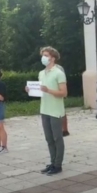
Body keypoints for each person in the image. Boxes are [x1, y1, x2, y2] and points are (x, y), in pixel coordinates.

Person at [25, 46, 67, 175]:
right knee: (49, 139)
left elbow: (64, 93)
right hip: (45, 109)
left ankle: (58, 165)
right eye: (43, 55)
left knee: (57, 138)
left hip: (55, 110)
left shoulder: (58, 73)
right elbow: (40, 90)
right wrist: (30, 90)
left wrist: (48, 90)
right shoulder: (41, 73)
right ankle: (52, 162)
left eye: (46, 55)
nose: (44, 57)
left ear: (52, 58)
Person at [56, 64, 70, 137]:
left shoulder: (58, 68)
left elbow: (63, 81)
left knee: (62, 111)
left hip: (59, 91)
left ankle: (65, 129)